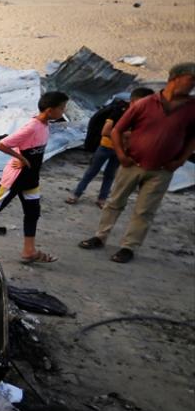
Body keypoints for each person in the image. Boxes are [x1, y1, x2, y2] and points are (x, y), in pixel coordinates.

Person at [79, 63, 195, 263]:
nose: (193, 84)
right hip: (132, 165)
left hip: (162, 170)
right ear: (175, 78)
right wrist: (121, 155)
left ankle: (129, 247)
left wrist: (180, 161)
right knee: (114, 202)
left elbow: (192, 138)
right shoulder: (146, 103)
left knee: (145, 210)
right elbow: (116, 130)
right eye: (191, 79)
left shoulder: (192, 108)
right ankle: (100, 236)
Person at [0, 92, 69, 263]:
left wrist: (23, 156)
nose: (63, 111)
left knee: (33, 212)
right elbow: (2, 144)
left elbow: (27, 146)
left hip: (31, 178)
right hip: (16, 177)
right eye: (61, 108)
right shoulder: (32, 126)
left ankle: (29, 251)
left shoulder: (44, 125)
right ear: (50, 110)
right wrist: (22, 159)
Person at [69, 87, 155, 207]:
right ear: (134, 101)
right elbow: (105, 131)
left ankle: (102, 199)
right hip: (106, 146)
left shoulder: (142, 115)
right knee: (92, 172)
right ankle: (76, 194)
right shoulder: (119, 110)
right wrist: (126, 134)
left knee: (110, 175)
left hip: (120, 150)